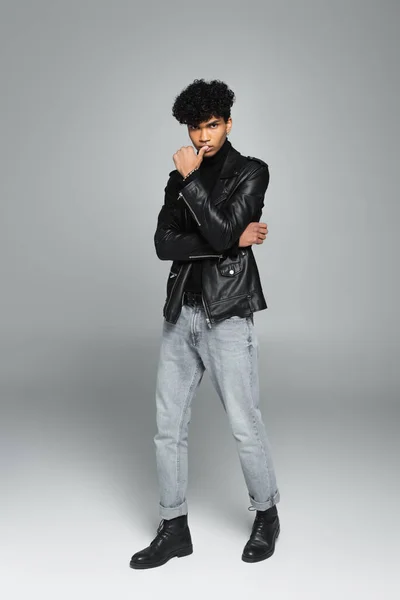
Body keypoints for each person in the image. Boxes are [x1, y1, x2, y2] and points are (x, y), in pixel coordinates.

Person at [130, 79, 280, 569]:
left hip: (228, 314)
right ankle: (174, 528)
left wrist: (202, 201)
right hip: (181, 313)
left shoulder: (251, 172)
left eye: (212, 125)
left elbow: (210, 231)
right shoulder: (179, 177)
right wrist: (230, 239)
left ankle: (266, 514)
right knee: (167, 429)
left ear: (229, 123)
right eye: (195, 127)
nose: (202, 137)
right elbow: (163, 245)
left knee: (244, 423)